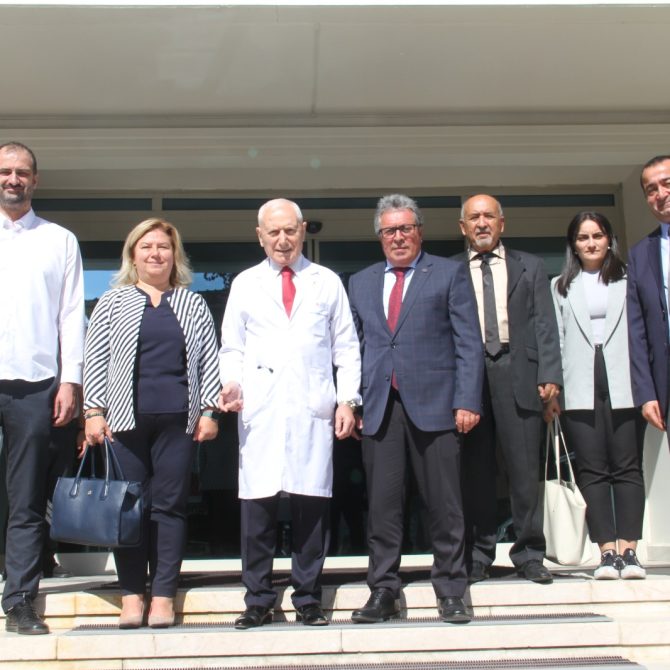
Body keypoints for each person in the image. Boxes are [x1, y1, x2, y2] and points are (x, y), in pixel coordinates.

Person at [218, 198, 361, 629]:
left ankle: (308, 598)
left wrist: (348, 400)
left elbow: (346, 347)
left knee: (311, 505)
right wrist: (231, 383)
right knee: (257, 508)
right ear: (260, 236)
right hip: (260, 407)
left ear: (302, 231)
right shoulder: (246, 283)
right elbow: (232, 346)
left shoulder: (326, 281)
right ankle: (258, 599)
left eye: (290, 230)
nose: (283, 240)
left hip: (311, 406)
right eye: (273, 232)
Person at [347, 194, 483, 625]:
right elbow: (353, 349)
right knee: (382, 507)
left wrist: (467, 399)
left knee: (444, 504)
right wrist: (353, 401)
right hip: (380, 409)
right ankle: (383, 590)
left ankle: (451, 590)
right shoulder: (361, 282)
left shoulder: (448, 273)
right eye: (390, 230)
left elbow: (468, 342)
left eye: (406, 228)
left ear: (419, 231)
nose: (398, 237)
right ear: (379, 236)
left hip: (438, 406)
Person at [83, 218, 220, 629]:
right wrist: (93, 411)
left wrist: (209, 411)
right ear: (133, 255)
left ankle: (162, 596)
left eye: (163, 247)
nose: (155, 254)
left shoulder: (192, 303)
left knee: (169, 508)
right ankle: (131, 596)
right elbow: (96, 357)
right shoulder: (112, 302)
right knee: (128, 510)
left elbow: (208, 359)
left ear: (174, 255)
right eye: (146, 247)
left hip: (179, 422)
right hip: (124, 421)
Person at [0, 141, 85, 634]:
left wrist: (70, 379)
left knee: (27, 498)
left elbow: (71, 314)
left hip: (35, 385)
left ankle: (19, 601)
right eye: (5, 171)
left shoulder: (60, 240)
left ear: (35, 180)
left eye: (22, 172)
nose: (13, 179)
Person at [456, 194, 562, 585]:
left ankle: (530, 553)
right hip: (470, 377)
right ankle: (478, 554)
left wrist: (550, 374)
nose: (482, 223)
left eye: (489, 216)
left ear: (502, 223)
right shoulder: (449, 271)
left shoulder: (530, 266)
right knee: (476, 471)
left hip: (519, 372)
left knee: (524, 469)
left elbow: (544, 323)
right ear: (463, 227)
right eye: (474, 217)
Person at [546, 212, 646, 579]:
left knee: (628, 466)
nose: (591, 243)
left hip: (625, 382)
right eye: (583, 237)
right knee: (591, 468)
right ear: (573, 245)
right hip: (579, 386)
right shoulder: (560, 286)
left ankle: (629, 551)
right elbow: (556, 339)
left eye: (598, 235)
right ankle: (606, 552)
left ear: (609, 240)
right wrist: (552, 391)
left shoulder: (629, 280)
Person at [628, 155, 670, 444]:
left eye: (667, 184)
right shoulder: (640, 254)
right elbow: (637, 330)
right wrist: (646, 393)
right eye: (651, 190)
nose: (660, 194)